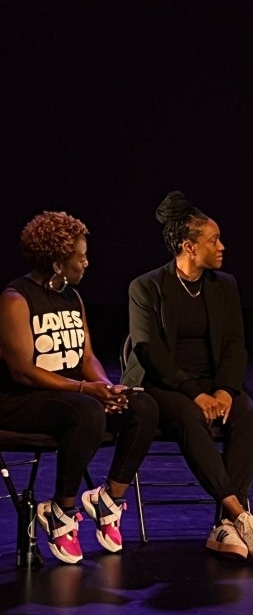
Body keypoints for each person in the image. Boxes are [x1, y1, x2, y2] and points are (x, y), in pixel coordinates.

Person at [121, 190, 253, 563]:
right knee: (191, 417)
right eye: (213, 240)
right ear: (189, 247)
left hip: (213, 384)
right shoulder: (146, 287)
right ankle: (240, 515)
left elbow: (235, 345)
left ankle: (224, 526)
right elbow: (148, 350)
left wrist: (224, 391)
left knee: (248, 418)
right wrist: (195, 393)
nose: (222, 246)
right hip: (163, 384)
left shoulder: (225, 286)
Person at [0, 211, 159, 565]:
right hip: (20, 401)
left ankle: (109, 500)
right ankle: (61, 510)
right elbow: (23, 371)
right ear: (58, 263)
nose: (87, 263)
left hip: (72, 393)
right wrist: (87, 390)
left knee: (141, 406)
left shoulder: (73, 297)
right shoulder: (15, 298)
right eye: (80, 256)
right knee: (85, 411)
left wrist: (106, 386)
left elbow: (86, 356)